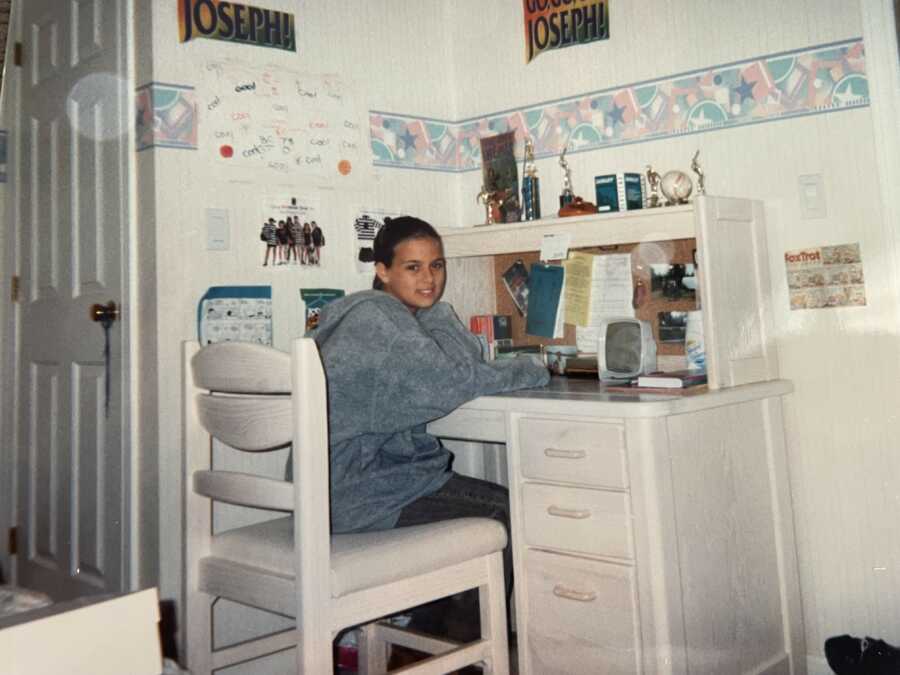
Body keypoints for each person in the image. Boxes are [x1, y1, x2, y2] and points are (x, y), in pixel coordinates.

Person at [307, 215, 549, 637]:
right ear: (382, 270)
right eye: (413, 267)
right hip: (358, 493)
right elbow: (459, 379)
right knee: (507, 509)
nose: (429, 279)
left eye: (436, 266)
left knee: (479, 499)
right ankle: (455, 652)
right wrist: (534, 367)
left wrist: (433, 313)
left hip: (331, 491)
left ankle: (423, 638)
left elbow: (459, 367)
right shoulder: (377, 322)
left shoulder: (367, 316)